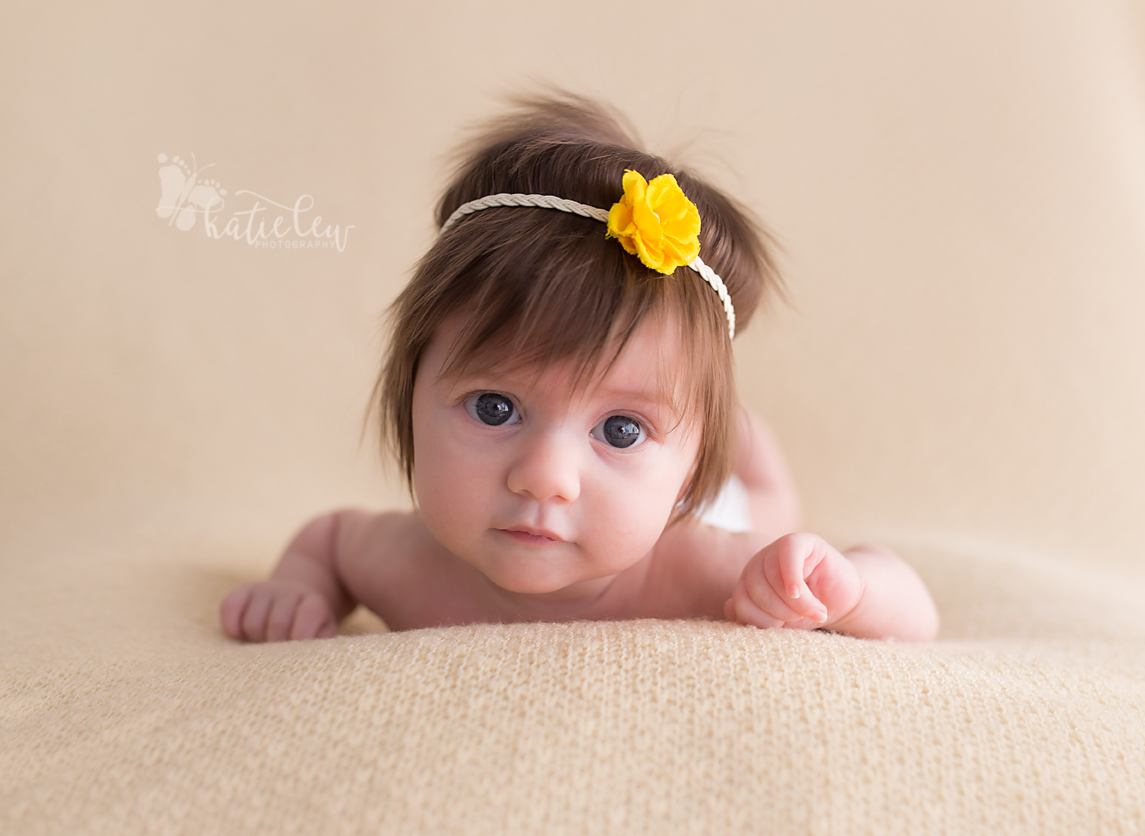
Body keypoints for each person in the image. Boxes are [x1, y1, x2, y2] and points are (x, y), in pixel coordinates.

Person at [220, 94, 939, 643]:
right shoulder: (400, 561)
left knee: (762, 505)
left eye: (621, 429)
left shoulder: (706, 573)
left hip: (710, 515)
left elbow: (913, 613)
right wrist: (300, 585)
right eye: (494, 407)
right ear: (411, 395)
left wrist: (840, 587)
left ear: (686, 468)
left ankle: (743, 452)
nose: (544, 477)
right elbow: (327, 542)